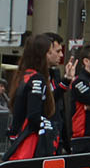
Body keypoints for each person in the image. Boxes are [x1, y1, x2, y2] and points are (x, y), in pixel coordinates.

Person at [5, 32, 62, 160]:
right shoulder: (37, 79)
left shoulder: (24, 75)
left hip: (20, 139)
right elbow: (34, 115)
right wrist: (49, 127)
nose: (52, 55)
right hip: (29, 145)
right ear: (40, 56)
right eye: (48, 53)